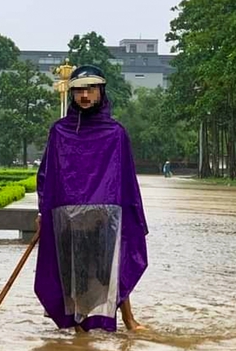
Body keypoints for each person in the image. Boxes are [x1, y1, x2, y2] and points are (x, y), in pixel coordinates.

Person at [34, 65, 148, 333]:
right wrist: (42, 212)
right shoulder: (59, 132)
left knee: (112, 268)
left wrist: (133, 215)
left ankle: (129, 320)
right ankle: (78, 328)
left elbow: (126, 179)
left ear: (100, 92)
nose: (84, 95)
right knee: (73, 273)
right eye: (79, 90)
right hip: (68, 217)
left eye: (90, 89)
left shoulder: (116, 133)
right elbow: (48, 175)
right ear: (72, 94)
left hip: (105, 216)